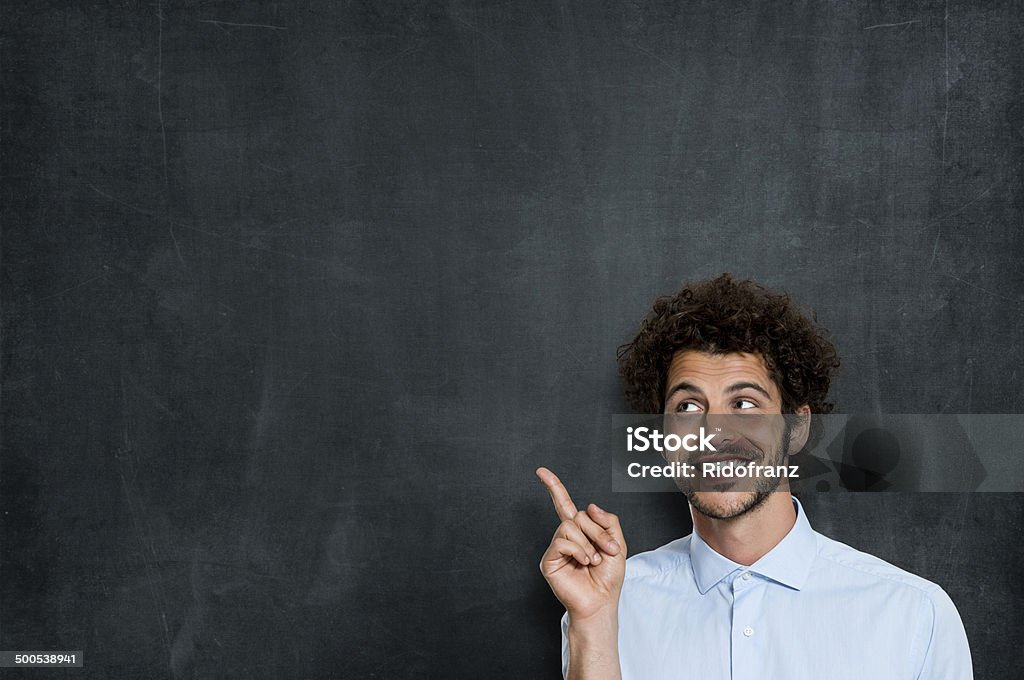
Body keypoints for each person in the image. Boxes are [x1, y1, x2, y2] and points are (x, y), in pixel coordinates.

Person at [536, 273, 972, 680]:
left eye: (744, 403)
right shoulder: (606, 606)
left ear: (797, 427)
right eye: (688, 407)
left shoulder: (914, 614)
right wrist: (591, 624)